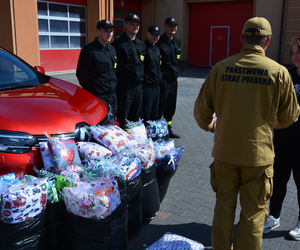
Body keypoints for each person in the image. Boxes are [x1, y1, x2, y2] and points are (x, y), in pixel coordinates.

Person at [193, 17, 300, 250]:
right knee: (253, 214)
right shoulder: (279, 73)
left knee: (223, 207)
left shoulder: (220, 68)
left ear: (242, 39)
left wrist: (213, 126)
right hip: (258, 156)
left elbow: (201, 113)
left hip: (225, 153)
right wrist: (272, 125)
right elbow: (290, 116)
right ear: (268, 41)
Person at [263, 36, 300, 240]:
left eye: (299, 52)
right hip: (282, 137)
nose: (295, 56)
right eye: (293, 52)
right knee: (278, 179)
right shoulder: (287, 75)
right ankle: (274, 215)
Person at [76, 20, 117, 116]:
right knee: (99, 127)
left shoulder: (112, 49)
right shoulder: (89, 50)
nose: (109, 34)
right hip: (98, 97)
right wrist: (93, 89)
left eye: (111, 31)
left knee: (112, 125)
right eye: (106, 31)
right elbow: (82, 75)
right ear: (98, 31)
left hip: (112, 97)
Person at [111, 13, 146, 128]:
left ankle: (134, 140)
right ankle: (123, 142)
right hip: (125, 87)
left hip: (138, 87)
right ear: (125, 25)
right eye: (132, 24)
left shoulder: (141, 45)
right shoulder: (117, 44)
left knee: (136, 116)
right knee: (123, 117)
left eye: (137, 24)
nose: (135, 26)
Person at [157, 17, 181, 138]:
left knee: (171, 106)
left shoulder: (177, 42)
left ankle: (168, 129)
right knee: (161, 105)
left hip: (173, 80)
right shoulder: (160, 42)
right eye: (171, 26)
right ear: (165, 26)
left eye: (175, 26)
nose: (173, 28)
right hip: (163, 80)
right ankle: (158, 131)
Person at [141, 24, 162, 122]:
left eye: (157, 35)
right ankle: (145, 135)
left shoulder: (156, 49)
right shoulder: (143, 48)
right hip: (148, 88)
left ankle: (153, 135)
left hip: (156, 87)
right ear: (147, 34)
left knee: (155, 113)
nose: (155, 37)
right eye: (153, 35)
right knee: (146, 113)